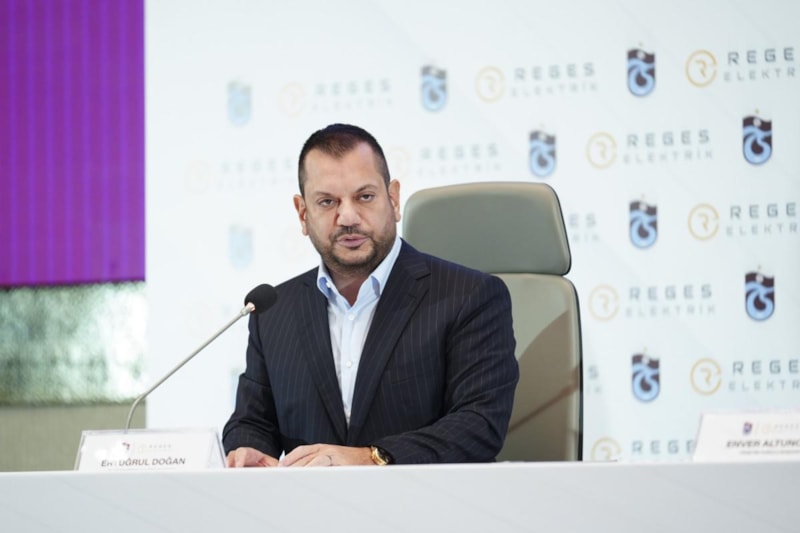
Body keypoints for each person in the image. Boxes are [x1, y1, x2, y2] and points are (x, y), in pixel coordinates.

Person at [223, 123, 519, 466]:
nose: (348, 217)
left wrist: (371, 457)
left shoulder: (469, 297)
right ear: (303, 214)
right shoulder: (273, 311)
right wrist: (249, 450)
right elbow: (253, 421)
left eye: (365, 197)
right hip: (307, 500)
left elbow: (479, 424)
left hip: (424, 498)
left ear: (393, 199)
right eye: (327, 202)